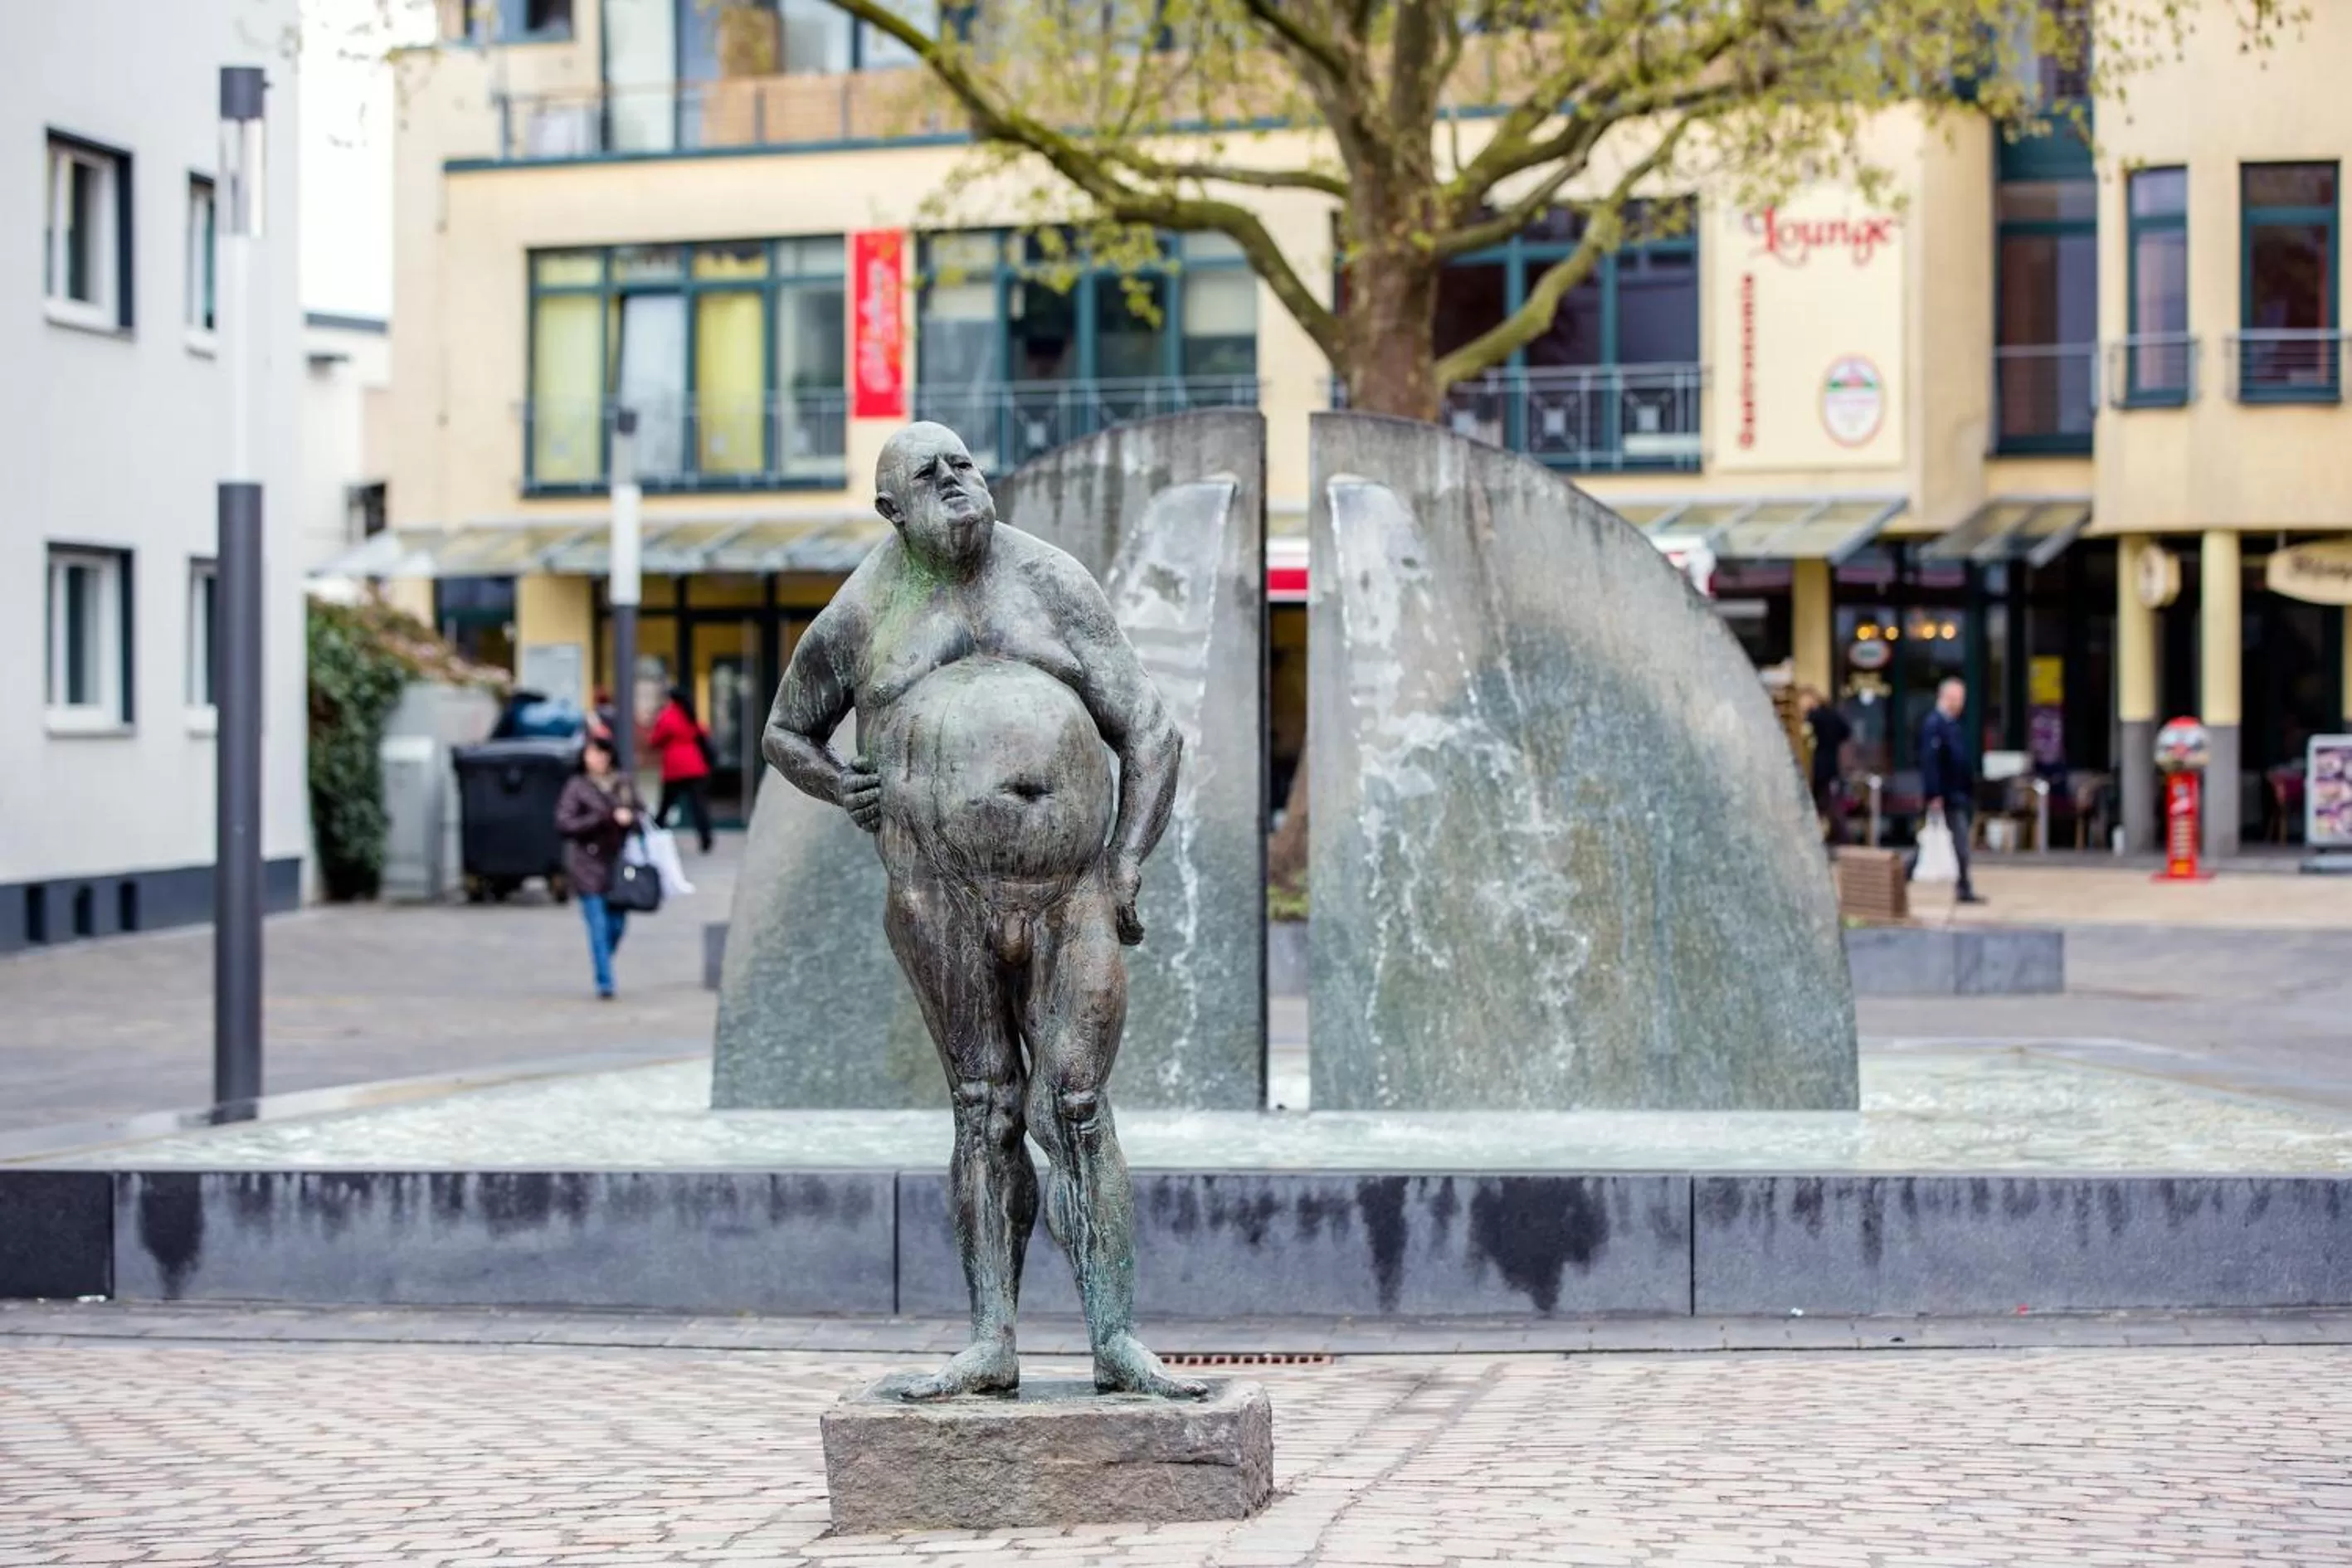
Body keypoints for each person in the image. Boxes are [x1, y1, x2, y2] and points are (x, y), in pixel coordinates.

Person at [763, 422, 1200, 1401]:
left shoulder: (1050, 581)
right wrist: (843, 787)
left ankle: (1116, 1338)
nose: (959, 482)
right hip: (937, 891)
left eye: (964, 463)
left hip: (1071, 885)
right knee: (984, 1108)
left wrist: (1128, 861)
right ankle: (990, 1338)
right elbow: (786, 732)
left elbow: (1152, 730)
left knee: (1077, 1104)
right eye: (932, 474)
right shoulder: (862, 609)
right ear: (893, 509)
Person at [555, 735, 641, 999]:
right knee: (598, 925)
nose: (598, 759)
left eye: (602, 754)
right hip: (588, 865)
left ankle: (603, 959)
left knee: (617, 924)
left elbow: (642, 814)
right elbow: (565, 823)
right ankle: (605, 981)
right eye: (593, 754)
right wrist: (601, 817)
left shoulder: (622, 783)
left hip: (619, 864)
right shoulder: (577, 787)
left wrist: (630, 819)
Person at [1916, 675, 1984, 903]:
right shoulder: (1935, 725)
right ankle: (1964, 887)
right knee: (1956, 841)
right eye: (1955, 698)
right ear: (1944, 697)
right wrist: (1934, 793)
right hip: (1946, 794)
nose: (1959, 703)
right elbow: (1931, 762)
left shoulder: (1952, 724)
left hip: (1956, 793)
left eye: (1961, 699)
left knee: (1945, 840)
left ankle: (1963, 886)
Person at [645, 685, 715, 854]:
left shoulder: (668, 715)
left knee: (665, 805)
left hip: (675, 767)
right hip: (695, 765)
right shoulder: (689, 713)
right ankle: (706, 839)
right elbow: (703, 731)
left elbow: (655, 740)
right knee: (699, 806)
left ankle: (654, 836)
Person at [1799, 686, 1852, 846]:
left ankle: (1835, 835)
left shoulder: (1813, 717)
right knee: (1828, 801)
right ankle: (1837, 835)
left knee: (1821, 803)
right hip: (1831, 765)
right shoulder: (1833, 716)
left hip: (1817, 767)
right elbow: (1846, 732)